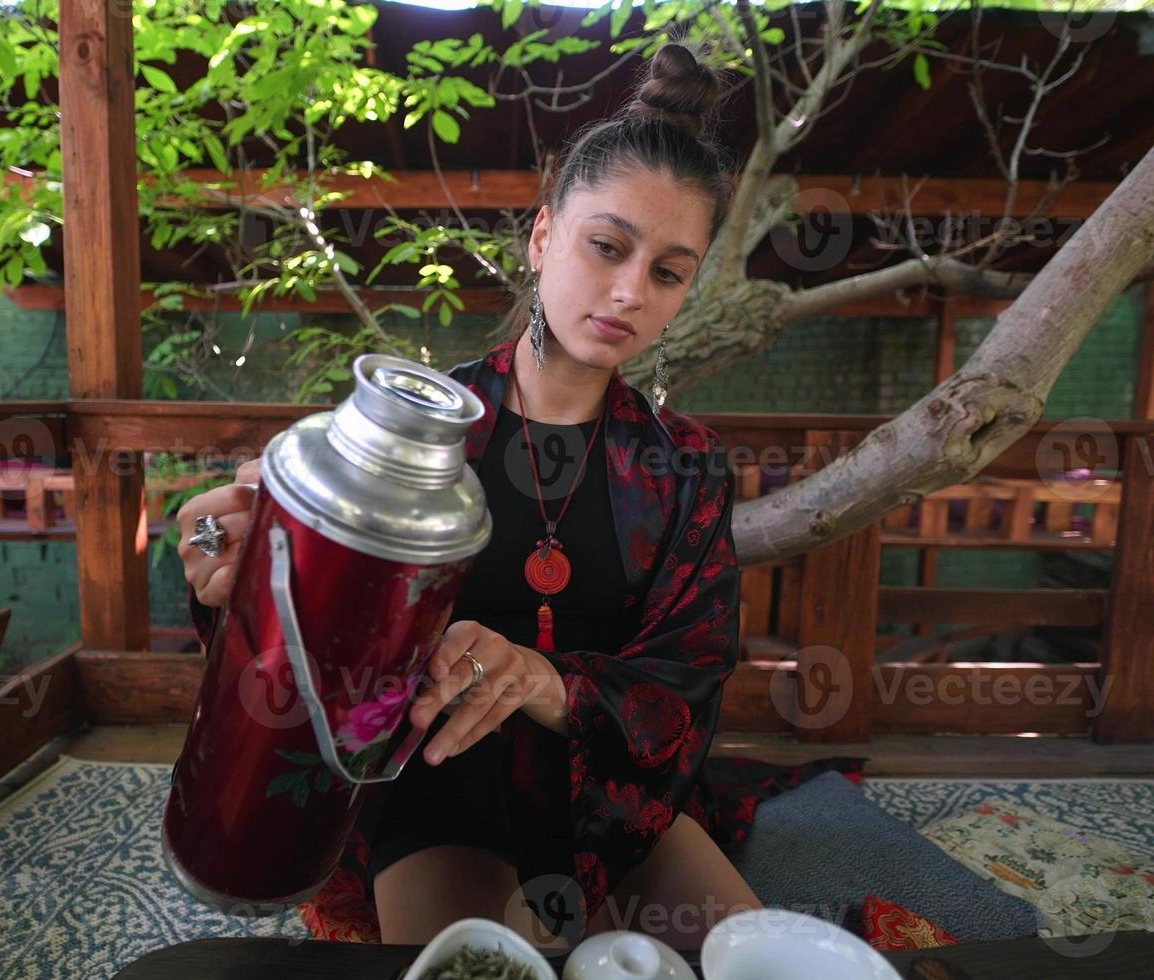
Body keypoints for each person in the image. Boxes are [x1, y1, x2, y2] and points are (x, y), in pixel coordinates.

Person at [178, 43, 859, 951]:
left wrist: (548, 681)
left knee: (759, 961)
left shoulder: (682, 468)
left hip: (607, 798)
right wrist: (237, 577)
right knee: (484, 965)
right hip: (437, 780)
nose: (628, 292)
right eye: (607, 246)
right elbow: (314, 656)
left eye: (668, 271)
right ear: (543, 237)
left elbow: (686, 688)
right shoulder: (418, 439)